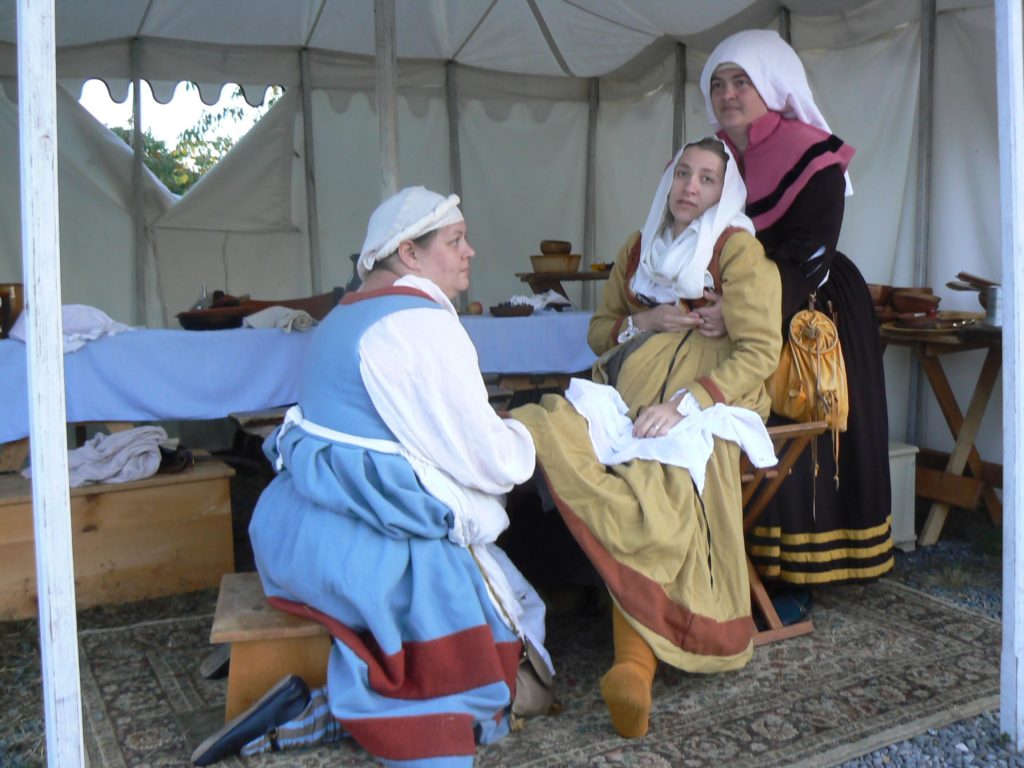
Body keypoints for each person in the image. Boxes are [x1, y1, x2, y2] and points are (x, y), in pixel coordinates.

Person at [191, 186, 553, 767]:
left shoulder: (346, 313)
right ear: (409, 253)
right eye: (455, 241)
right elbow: (490, 459)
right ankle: (325, 713)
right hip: (364, 551)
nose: (471, 252)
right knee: (510, 680)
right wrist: (530, 435)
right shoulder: (417, 323)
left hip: (296, 531)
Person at [512, 137, 782, 739]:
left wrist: (687, 403)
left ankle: (633, 666)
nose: (691, 187)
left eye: (707, 179)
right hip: (633, 392)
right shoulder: (638, 250)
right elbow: (599, 332)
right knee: (546, 424)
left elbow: (762, 350)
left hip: (711, 398)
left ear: (725, 192)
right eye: (683, 174)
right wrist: (647, 320)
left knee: (655, 478)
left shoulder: (738, 252)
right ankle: (553, 582)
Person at [696, 29, 893, 589]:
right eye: (718, 83)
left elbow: (809, 251)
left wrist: (738, 310)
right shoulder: (710, 158)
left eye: (741, 82)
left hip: (806, 305)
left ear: (772, 85)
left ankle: (802, 573)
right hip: (727, 302)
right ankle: (729, 558)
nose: (728, 94)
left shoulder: (813, 153)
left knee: (794, 428)